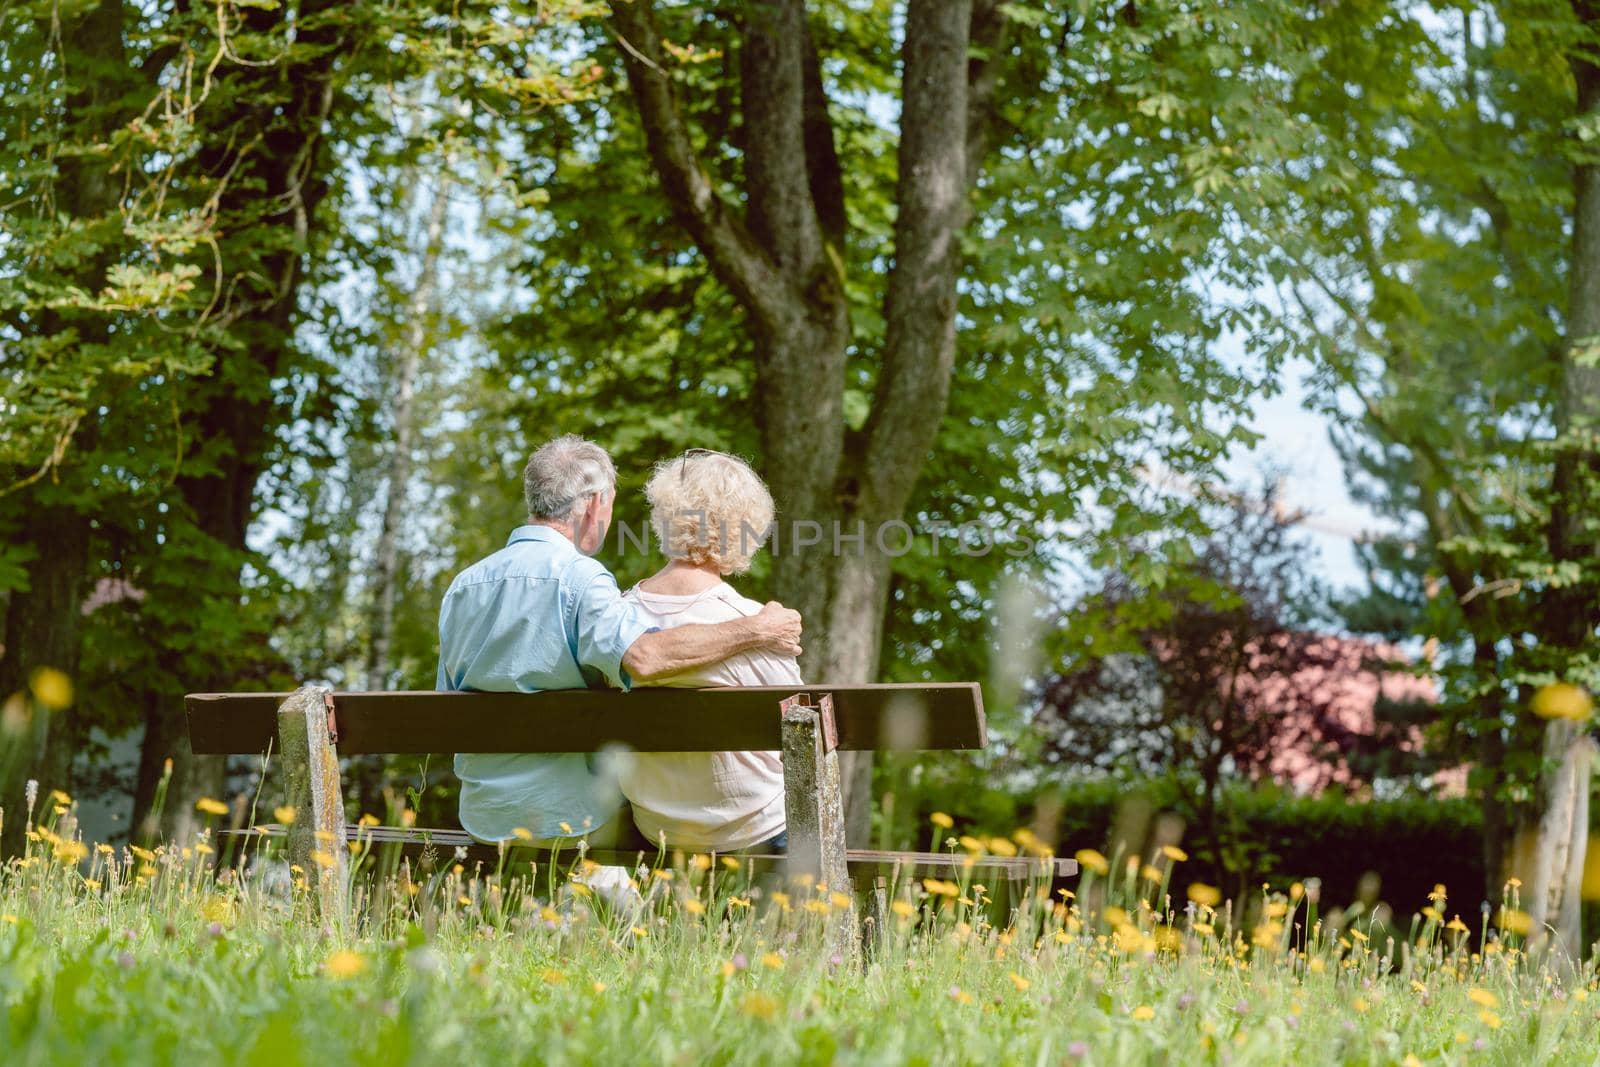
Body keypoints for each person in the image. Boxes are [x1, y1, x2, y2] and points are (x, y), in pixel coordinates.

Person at [436, 435, 803, 850]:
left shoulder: (462, 587)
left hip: (484, 816)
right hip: (573, 819)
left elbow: (447, 702)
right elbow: (643, 657)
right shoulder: (583, 582)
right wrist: (756, 629)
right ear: (595, 504)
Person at [615, 448, 800, 853]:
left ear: (664, 518)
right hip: (756, 830)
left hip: (655, 827)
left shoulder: (614, 620)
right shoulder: (765, 627)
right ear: (745, 530)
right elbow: (801, 739)